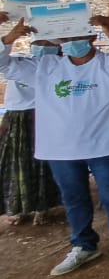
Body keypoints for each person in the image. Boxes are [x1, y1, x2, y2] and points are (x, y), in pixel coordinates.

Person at [0, 9, 109, 277]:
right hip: (61, 149)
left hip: (105, 146)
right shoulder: (45, 68)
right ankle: (83, 245)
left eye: (75, 35)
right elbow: (4, 66)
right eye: (64, 37)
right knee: (74, 199)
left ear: (91, 36)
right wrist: (8, 39)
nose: (69, 41)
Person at [0, 38, 61, 226]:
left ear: (58, 46)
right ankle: (18, 207)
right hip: (17, 118)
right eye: (39, 41)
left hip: (45, 116)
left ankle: (42, 207)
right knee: (16, 165)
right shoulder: (20, 62)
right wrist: (9, 37)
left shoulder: (63, 66)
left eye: (47, 42)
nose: (42, 46)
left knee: (42, 165)